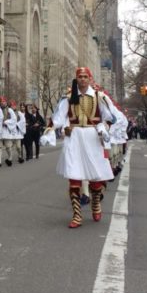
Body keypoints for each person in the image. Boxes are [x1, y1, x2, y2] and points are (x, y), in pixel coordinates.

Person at [50, 67, 117, 228]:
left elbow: (110, 117)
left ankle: (96, 204)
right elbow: (59, 117)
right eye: (80, 76)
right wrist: (50, 129)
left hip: (92, 137)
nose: (82, 79)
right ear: (76, 78)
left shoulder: (99, 96)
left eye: (85, 76)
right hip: (74, 138)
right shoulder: (68, 97)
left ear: (90, 78)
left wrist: (104, 127)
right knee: (74, 176)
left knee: (95, 176)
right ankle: (77, 215)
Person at [0, 96, 18, 166]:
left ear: (6, 102)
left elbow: (14, 119)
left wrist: (6, 122)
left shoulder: (10, 110)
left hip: (7, 130)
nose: (2, 103)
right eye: (1, 102)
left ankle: (10, 157)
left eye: (3, 102)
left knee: (8, 146)